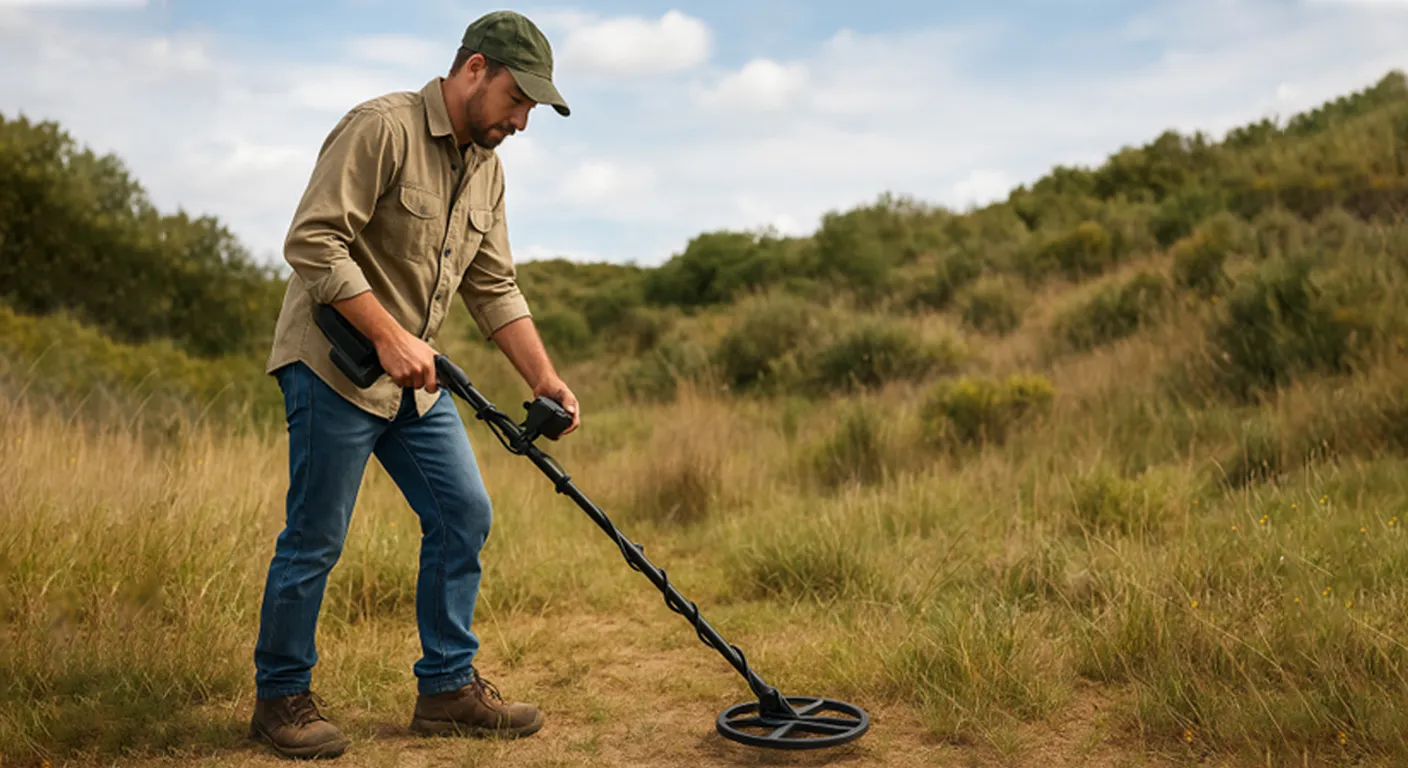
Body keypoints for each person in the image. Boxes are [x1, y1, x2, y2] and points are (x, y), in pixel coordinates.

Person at [251, 10, 578, 759]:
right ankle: (280, 700)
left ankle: (446, 689)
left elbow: (494, 286)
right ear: (474, 69)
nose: (523, 119)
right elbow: (311, 239)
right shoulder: (382, 128)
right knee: (315, 537)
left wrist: (546, 377)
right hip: (332, 365)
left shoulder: (487, 168)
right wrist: (387, 332)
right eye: (518, 98)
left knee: (464, 513)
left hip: (415, 379)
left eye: (533, 108)